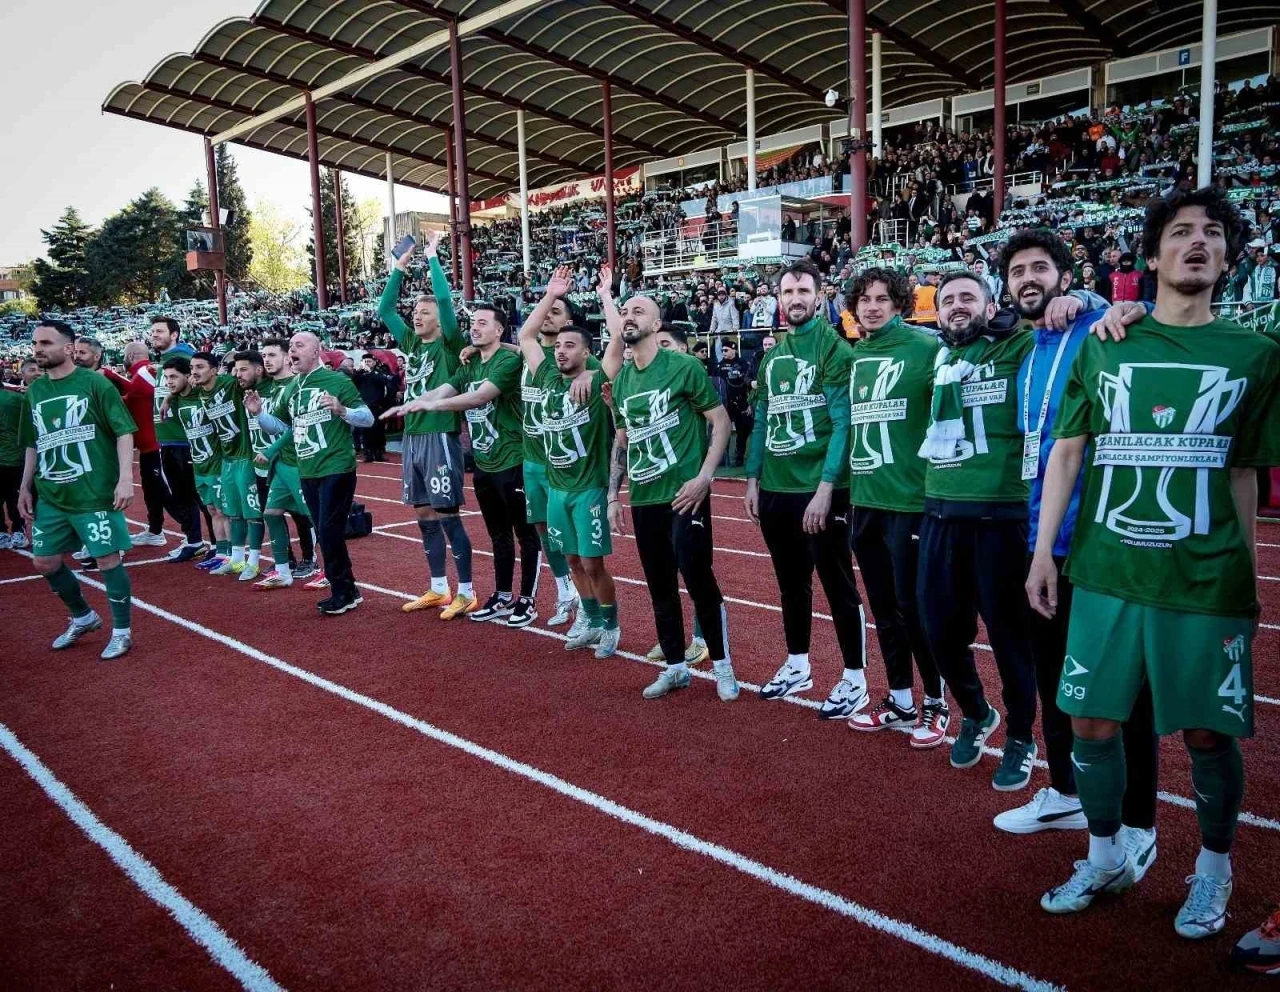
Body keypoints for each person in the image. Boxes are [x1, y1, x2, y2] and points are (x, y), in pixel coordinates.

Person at [1028, 187, 1280, 936]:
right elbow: (1066, 451)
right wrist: (1043, 552)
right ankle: (1107, 855)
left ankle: (1214, 871)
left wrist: (1246, 573)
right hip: (1105, 571)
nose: (1197, 242)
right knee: (1090, 721)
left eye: (1213, 233)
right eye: (1180, 232)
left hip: (1203, 578)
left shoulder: (1256, 354)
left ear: (1230, 258)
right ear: (1151, 254)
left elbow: (1244, 474)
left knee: (1206, 734)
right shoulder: (1107, 342)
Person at [993, 229, 1160, 862]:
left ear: (1066, 278)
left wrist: (1105, 302)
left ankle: (1139, 821)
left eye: (1040, 268)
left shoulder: (1099, 328)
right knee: (1055, 676)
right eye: (1017, 272)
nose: (1028, 279)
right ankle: (1065, 790)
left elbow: (1151, 314)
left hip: (1104, 540)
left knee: (1124, 689)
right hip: (1044, 539)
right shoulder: (1028, 353)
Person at [600, 269, 740, 701]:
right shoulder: (622, 380)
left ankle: (723, 667)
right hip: (645, 497)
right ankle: (676, 667)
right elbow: (622, 440)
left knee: (698, 579)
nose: (629, 315)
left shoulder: (683, 366)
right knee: (659, 585)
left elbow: (721, 422)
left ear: (657, 323)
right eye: (625, 310)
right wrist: (613, 495)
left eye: (639, 310)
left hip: (684, 494)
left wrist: (704, 477)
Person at [744, 258, 869, 719]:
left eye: (803, 291)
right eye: (788, 292)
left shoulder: (834, 349)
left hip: (819, 489)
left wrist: (826, 487)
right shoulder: (771, 357)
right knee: (790, 583)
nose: (795, 299)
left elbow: (843, 423)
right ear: (778, 299)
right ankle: (798, 664)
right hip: (777, 488)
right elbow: (761, 421)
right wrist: (753, 479)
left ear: (819, 296)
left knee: (838, 584)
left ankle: (855, 677)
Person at [841, 267, 949, 745]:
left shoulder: (928, 348)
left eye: (882, 298)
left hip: (910, 501)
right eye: (864, 299)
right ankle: (901, 699)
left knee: (914, 607)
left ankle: (937, 703)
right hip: (864, 501)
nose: (872, 307)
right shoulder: (856, 354)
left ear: (900, 303)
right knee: (883, 607)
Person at [385, 303, 541, 627]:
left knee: (524, 534)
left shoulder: (507, 361)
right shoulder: (469, 365)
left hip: (513, 459)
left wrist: (434, 406)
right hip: (484, 461)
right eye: (474, 322)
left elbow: (479, 397)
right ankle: (502, 595)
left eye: (483, 323)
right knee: (498, 534)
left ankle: (527, 600)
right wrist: (415, 403)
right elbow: (444, 388)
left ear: (499, 330)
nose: (475, 327)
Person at [18, 319, 137, 660]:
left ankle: (122, 631)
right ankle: (83, 616)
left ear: (69, 348)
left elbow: (123, 431)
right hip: (52, 493)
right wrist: (24, 486)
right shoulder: (35, 391)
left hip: (93, 491)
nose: (38, 349)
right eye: (35, 343)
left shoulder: (94, 383)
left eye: (45, 343)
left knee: (107, 558)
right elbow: (32, 442)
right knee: (44, 561)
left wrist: (125, 479)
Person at [518, 267, 620, 657]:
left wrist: (605, 295)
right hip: (556, 489)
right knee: (572, 559)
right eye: (558, 345)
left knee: (593, 564)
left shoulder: (597, 380)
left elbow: (617, 342)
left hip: (589, 488)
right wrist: (550, 294)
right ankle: (591, 620)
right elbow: (526, 337)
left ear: (586, 353)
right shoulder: (546, 376)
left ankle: (611, 626)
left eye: (570, 345)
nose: (561, 350)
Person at [378, 232, 474, 619]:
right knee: (423, 515)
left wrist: (433, 257)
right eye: (416, 312)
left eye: (424, 312)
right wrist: (399, 267)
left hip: (440, 434)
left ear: (439, 321)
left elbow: (447, 302)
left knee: (448, 515)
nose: (417, 316)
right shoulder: (411, 344)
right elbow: (386, 309)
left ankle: (466, 591)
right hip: (413, 437)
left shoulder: (450, 344)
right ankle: (438, 587)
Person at [249, 332, 374, 615]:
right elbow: (281, 428)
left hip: (336, 466)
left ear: (316, 351)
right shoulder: (291, 388)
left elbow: (367, 418)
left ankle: (342, 591)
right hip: (307, 469)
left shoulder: (337, 381)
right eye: (290, 345)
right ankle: (348, 590)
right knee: (325, 530)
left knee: (328, 530)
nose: (292, 349)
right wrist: (258, 414)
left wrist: (342, 410)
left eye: (299, 345)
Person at [515, 284, 594, 628]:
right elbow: (522, 339)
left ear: (570, 323)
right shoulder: (529, 354)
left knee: (574, 540)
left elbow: (611, 368)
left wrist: (591, 372)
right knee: (542, 528)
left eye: (556, 311)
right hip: (532, 458)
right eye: (544, 310)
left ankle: (590, 606)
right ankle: (565, 592)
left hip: (564, 464)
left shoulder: (575, 360)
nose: (547, 315)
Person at [101, 340, 201, 560]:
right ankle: (156, 531)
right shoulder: (141, 375)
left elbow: (146, 389)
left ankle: (192, 536)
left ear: (131, 356)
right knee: (152, 492)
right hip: (150, 445)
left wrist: (109, 374)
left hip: (160, 444)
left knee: (171, 493)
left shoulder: (146, 372)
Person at [252, 338, 319, 589]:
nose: (266, 360)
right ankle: (283, 570)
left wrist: (270, 450)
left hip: (299, 461)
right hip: (281, 463)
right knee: (271, 513)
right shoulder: (270, 386)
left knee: (312, 516)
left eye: (272, 355)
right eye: (264, 355)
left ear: (287, 358)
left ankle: (319, 564)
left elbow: (295, 425)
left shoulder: (297, 384)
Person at [192, 351, 264, 581]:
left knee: (252, 513)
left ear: (214, 370)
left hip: (245, 456)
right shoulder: (200, 391)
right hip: (227, 459)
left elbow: (252, 379)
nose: (194, 372)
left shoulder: (230, 383)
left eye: (200, 367)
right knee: (233, 513)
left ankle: (254, 562)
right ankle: (236, 559)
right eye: (192, 368)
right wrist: (167, 399)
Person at [163, 357, 232, 570]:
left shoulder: (202, 393)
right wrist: (169, 397)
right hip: (198, 464)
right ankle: (221, 553)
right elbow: (175, 392)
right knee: (211, 509)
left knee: (223, 511)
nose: (169, 382)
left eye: (174, 377)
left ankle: (232, 554)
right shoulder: (177, 398)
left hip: (216, 461)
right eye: (166, 377)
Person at [715, 339, 753, 467]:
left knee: (742, 431)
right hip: (725, 403)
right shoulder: (719, 365)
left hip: (741, 401)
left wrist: (749, 403)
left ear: (734, 349)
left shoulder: (743, 364)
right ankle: (722, 458)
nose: (723, 353)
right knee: (722, 431)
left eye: (726, 350)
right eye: (722, 350)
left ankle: (739, 457)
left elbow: (749, 384)